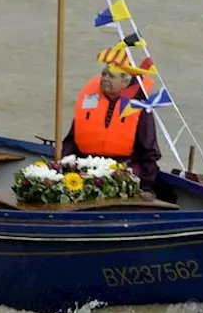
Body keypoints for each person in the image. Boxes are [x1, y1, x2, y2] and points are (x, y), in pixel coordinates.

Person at [60, 48, 173, 200]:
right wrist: (66, 164)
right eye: (104, 74)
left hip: (123, 170)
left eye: (111, 76)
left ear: (125, 82)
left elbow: (149, 151)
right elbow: (71, 139)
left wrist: (145, 185)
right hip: (86, 167)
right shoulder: (91, 98)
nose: (105, 78)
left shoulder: (138, 106)